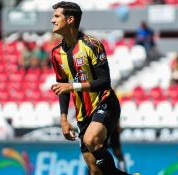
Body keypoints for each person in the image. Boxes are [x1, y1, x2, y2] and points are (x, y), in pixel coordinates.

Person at [50, 2, 133, 175]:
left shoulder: (92, 44)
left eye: (57, 16)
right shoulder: (56, 53)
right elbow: (61, 88)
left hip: (105, 103)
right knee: (95, 170)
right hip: (83, 114)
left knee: (91, 139)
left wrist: (72, 86)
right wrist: (64, 119)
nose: (52, 20)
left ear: (70, 19)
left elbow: (104, 81)